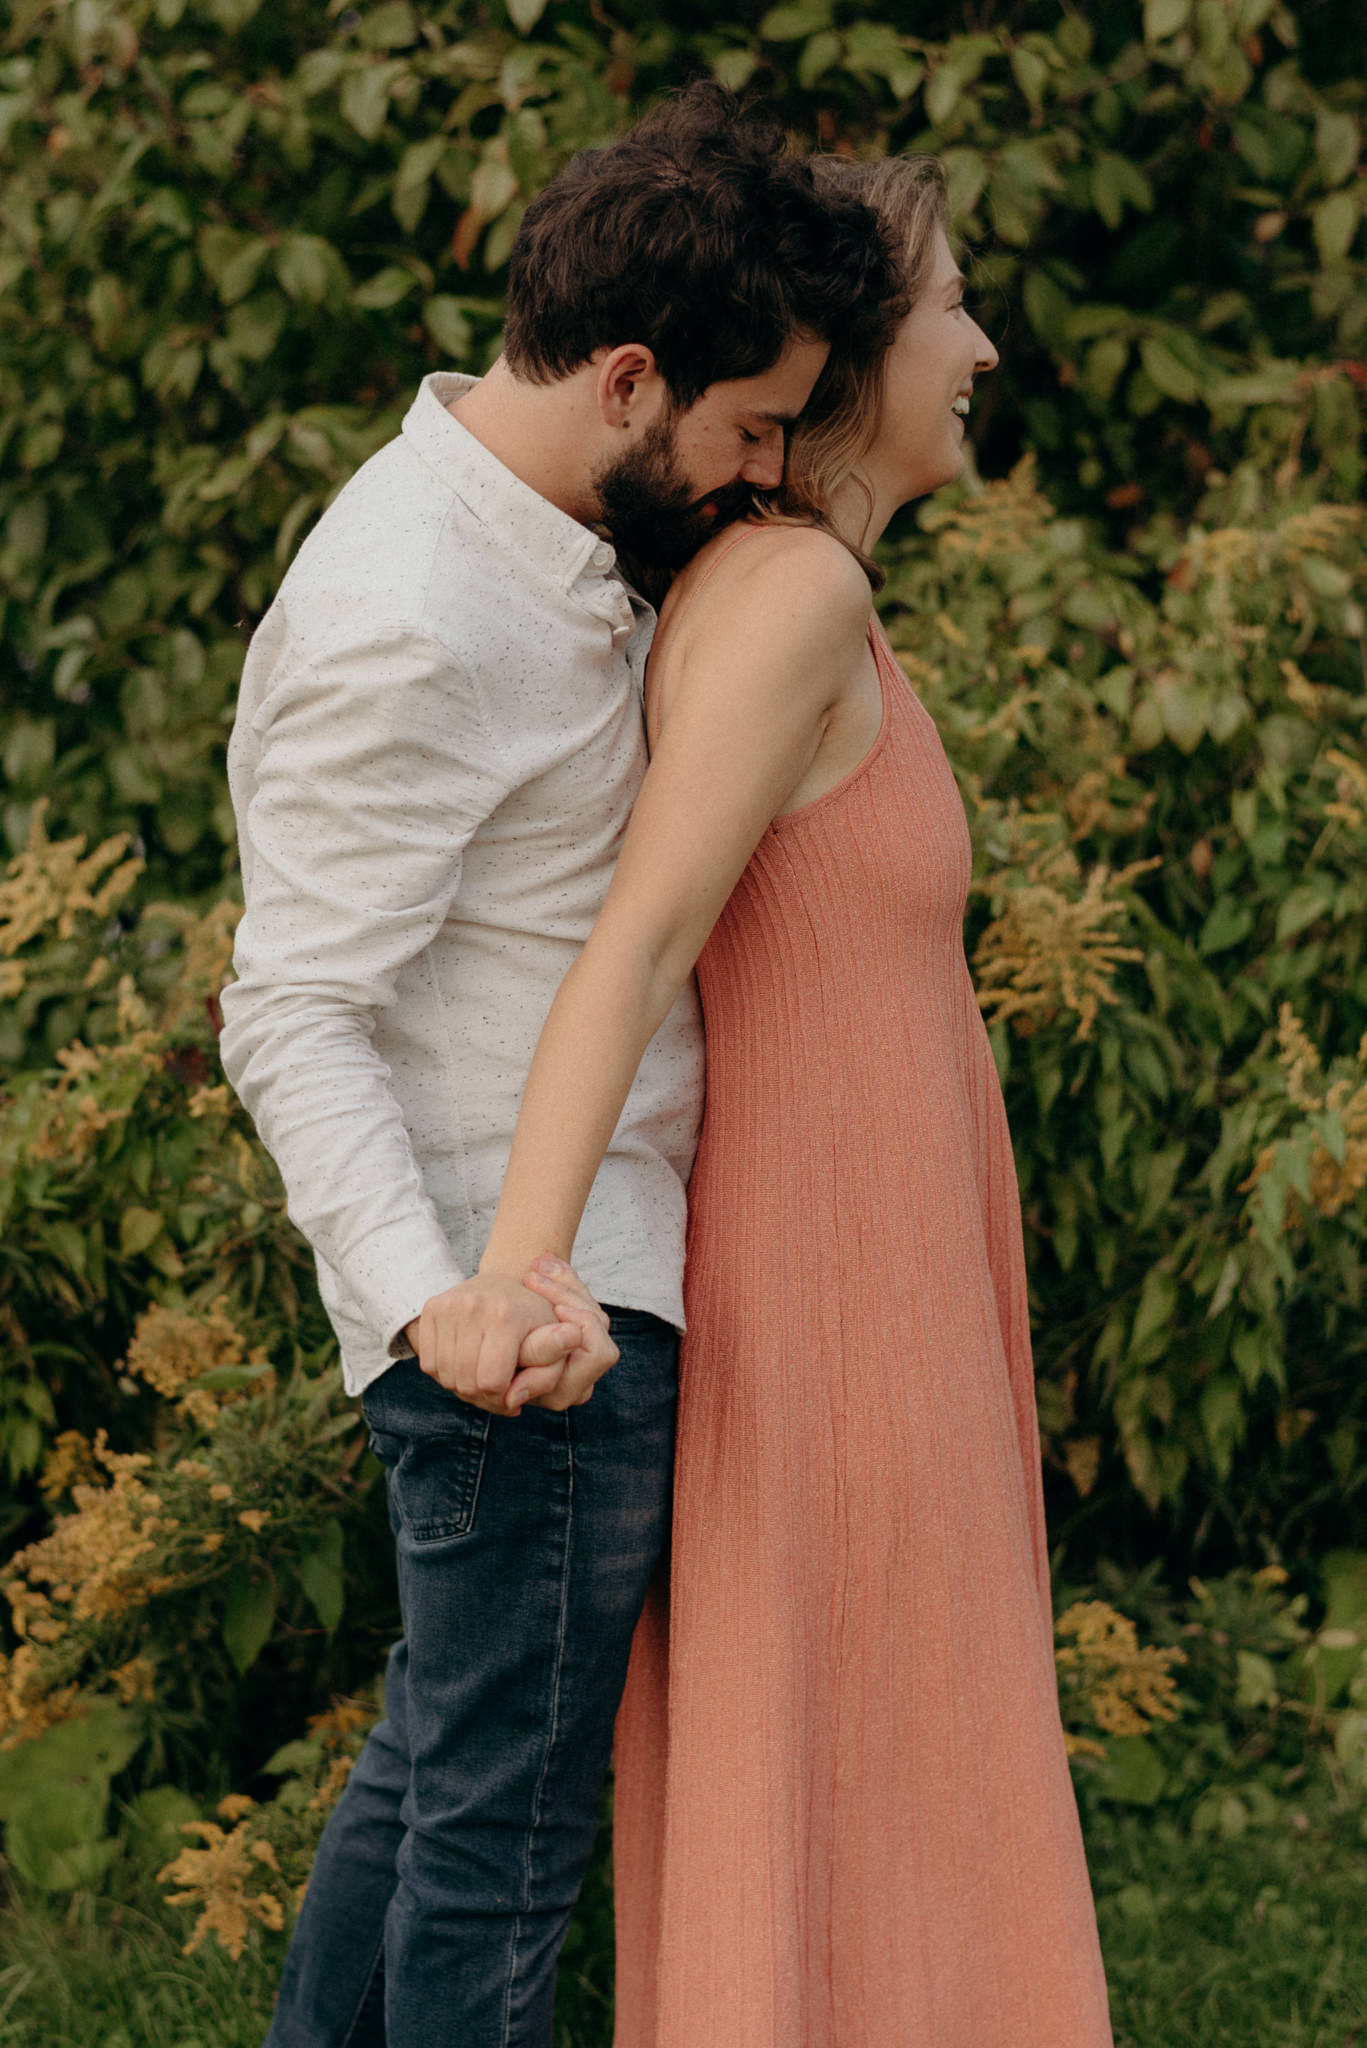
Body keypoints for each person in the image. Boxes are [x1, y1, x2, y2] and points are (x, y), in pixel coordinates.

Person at [217, 86, 905, 2048]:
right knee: (501, 1853)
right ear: (628, 377)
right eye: (754, 422)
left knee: (442, 1775)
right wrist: (446, 1297)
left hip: (553, 1281)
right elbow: (289, 1007)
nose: (769, 466)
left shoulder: (542, 525)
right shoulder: (415, 614)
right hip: (526, 1314)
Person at [472, 153, 1115, 2045]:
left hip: (888, 1276)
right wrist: (523, 1262)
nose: (984, 340)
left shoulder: (809, 593)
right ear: (851, 363)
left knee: (906, 1747)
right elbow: (641, 938)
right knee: (867, 1744)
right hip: (826, 1299)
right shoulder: (793, 595)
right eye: (954, 307)